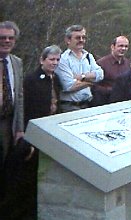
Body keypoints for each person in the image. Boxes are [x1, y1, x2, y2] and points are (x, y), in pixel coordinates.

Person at [9, 45, 62, 219]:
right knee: (25, 176)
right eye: (51, 59)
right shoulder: (31, 80)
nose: (54, 63)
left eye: (57, 60)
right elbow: (24, 108)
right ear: (42, 60)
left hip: (49, 132)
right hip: (32, 134)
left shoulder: (56, 79)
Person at [0, 21, 24, 200]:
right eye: (2, 38)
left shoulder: (16, 63)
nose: (7, 41)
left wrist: (19, 128)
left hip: (8, 124)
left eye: (10, 38)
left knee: (6, 166)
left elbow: (20, 96)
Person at [55, 24, 104, 112]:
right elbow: (68, 86)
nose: (81, 40)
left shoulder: (89, 57)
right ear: (68, 40)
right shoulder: (63, 60)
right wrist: (90, 82)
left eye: (83, 37)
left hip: (87, 105)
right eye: (78, 38)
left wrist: (81, 77)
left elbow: (100, 75)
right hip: (69, 107)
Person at [92, 36, 130, 106]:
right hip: (105, 103)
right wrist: (112, 91)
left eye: (126, 46)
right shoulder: (101, 63)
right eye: (120, 46)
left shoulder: (128, 64)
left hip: (123, 104)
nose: (123, 49)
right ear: (113, 47)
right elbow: (94, 86)